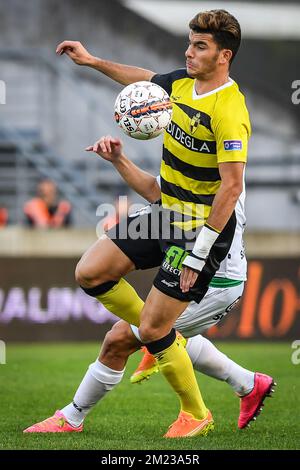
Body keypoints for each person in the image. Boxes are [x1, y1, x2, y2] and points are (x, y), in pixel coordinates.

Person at [28, 9, 254, 438]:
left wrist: (199, 253)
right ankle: (158, 338)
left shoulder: (230, 109)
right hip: (167, 213)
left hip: (203, 230)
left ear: (224, 56)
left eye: (200, 46)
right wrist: (93, 62)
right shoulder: (181, 86)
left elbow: (231, 187)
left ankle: (194, 412)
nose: (188, 52)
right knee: (90, 272)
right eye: (189, 42)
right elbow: (144, 79)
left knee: (149, 328)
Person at [23, 138, 275, 436]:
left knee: (125, 337)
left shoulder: (220, 165)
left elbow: (219, 200)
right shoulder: (187, 163)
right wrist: (119, 159)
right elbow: (158, 191)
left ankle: (73, 417)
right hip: (191, 258)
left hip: (216, 278)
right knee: (154, 331)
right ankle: (248, 383)